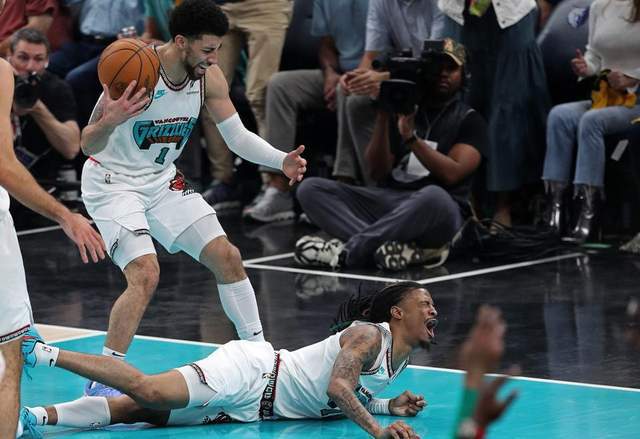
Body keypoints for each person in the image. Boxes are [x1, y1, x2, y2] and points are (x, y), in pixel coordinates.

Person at [77, 0, 306, 397]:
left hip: (161, 180)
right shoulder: (136, 70)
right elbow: (87, 143)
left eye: (218, 49)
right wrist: (111, 119)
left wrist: (279, 160)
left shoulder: (208, 78)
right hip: (113, 183)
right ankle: (105, 378)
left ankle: (261, 359)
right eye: (207, 49)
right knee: (145, 273)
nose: (214, 58)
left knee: (228, 257)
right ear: (181, 42)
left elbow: (236, 137)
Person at [20, 282, 435, 438]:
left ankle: (33, 418)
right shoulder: (368, 335)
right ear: (397, 313)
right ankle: (42, 353)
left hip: (253, 408)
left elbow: (345, 392)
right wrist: (378, 430)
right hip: (253, 372)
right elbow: (338, 387)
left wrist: (388, 405)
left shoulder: (396, 360)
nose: (434, 311)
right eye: (426, 304)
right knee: (150, 390)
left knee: (135, 411)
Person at [0, 1, 105, 436]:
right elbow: (4, 166)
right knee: (9, 355)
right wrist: (66, 215)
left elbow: (70, 144)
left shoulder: (49, 88)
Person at [294, 39, 487, 271]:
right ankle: (388, 249)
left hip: (439, 213)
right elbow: (378, 172)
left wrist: (411, 139)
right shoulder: (405, 107)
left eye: (451, 68)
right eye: (437, 67)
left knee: (434, 196)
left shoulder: (469, 120)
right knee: (310, 189)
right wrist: (384, 114)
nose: (443, 74)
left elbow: (452, 174)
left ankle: (353, 248)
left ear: (464, 75)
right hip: (393, 201)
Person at [243, 0, 369, 223]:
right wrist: (330, 72)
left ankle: (342, 190)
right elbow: (326, 44)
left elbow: (381, 50)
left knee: (344, 89)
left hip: (372, 75)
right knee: (280, 85)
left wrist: (349, 78)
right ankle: (278, 190)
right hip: (338, 73)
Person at [439, 0, 551, 227]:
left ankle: (503, 205)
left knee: (508, 110)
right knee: (459, 100)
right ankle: (466, 203)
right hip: (456, 16)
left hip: (512, 17)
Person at [541, 0, 640, 243]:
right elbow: (594, 54)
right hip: (606, 98)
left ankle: (589, 215)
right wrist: (586, 67)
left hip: (636, 101)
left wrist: (632, 77)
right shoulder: (600, 6)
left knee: (591, 121)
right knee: (559, 116)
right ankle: (556, 211)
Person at [331, 0, 446, 186]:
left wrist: (382, 77)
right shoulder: (380, 2)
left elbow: (435, 63)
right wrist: (358, 77)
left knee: (358, 101)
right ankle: (346, 178)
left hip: (435, 77)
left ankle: (373, 186)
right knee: (348, 90)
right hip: (401, 75)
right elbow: (371, 55)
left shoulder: (440, 3)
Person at [199, 0, 293, 211]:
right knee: (208, 91)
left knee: (261, 96)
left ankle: (273, 185)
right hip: (222, 6)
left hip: (266, 5)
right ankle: (223, 180)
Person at [46, 0, 144, 127]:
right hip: (83, 42)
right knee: (47, 66)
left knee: (77, 78)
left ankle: (85, 131)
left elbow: (142, 25)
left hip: (115, 46)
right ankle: (49, 130)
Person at [8, 28, 80, 182]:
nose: (30, 67)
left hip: (41, 179)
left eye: (38, 59)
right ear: (10, 56)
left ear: (47, 61)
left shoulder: (57, 88)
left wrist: (37, 107)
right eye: (23, 58)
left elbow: (71, 149)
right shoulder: (2, 82)